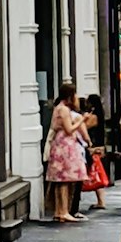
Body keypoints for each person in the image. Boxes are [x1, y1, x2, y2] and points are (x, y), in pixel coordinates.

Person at [47, 80, 89, 224]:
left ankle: (59, 210)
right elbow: (69, 129)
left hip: (59, 144)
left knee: (60, 180)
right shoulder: (64, 109)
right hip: (65, 145)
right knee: (64, 180)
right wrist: (81, 120)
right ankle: (64, 211)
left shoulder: (58, 108)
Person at [81, 94, 109, 209]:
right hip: (97, 147)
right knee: (96, 171)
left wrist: (82, 118)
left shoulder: (93, 117)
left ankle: (101, 201)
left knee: (95, 171)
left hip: (93, 148)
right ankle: (101, 200)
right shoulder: (99, 116)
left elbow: (83, 127)